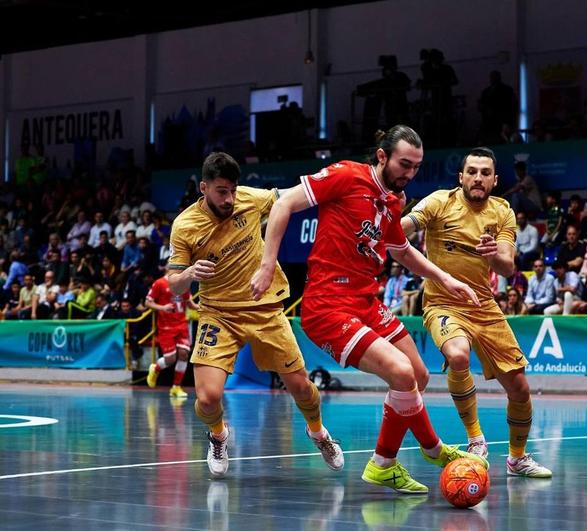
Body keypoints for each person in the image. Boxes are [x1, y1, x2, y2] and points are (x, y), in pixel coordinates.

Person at [251, 126, 489, 494]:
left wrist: (447, 279)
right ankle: (433, 448)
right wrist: (268, 264)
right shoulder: (346, 175)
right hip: (327, 305)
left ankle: (383, 464)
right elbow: (283, 204)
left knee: (418, 377)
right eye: (404, 164)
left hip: (366, 301)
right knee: (400, 371)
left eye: (416, 167)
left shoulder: (393, 202)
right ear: (382, 156)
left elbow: (403, 251)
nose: (409, 173)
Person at [168, 152, 344, 479]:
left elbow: (291, 198)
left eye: (234, 190)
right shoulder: (185, 226)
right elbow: (175, 285)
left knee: (303, 388)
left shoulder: (251, 199)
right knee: (207, 398)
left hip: (264, 309)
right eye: (222, 191)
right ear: (204, 188)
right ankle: (219, 436)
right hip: (218, 314)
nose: (230, 198)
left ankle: (318, 432)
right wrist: (190, 272)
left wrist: (332, 184)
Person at [400, 146, 552, 478]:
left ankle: (517, 458)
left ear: (495, 180)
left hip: (484, 306)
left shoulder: (503, 212)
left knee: (520, 389)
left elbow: (509, 267)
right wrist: (394, 224)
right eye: (472, 171)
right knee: (457, 355)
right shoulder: (441, 201)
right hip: (442, 303)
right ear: (461, 177)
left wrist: (492, 255)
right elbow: (407, 225)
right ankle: (475, 439)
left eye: (485, 173)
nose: (478, 178)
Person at [146, 273, 199, 398]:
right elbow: (148, 303)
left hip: (181, 325)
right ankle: (156, 368)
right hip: (166, 327)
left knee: (184, 354)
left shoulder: (184, 283)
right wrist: (162, 307)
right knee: (170, 359)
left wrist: (201, 307)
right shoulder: (160, 283)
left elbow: (190, 303)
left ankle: (176, 387)